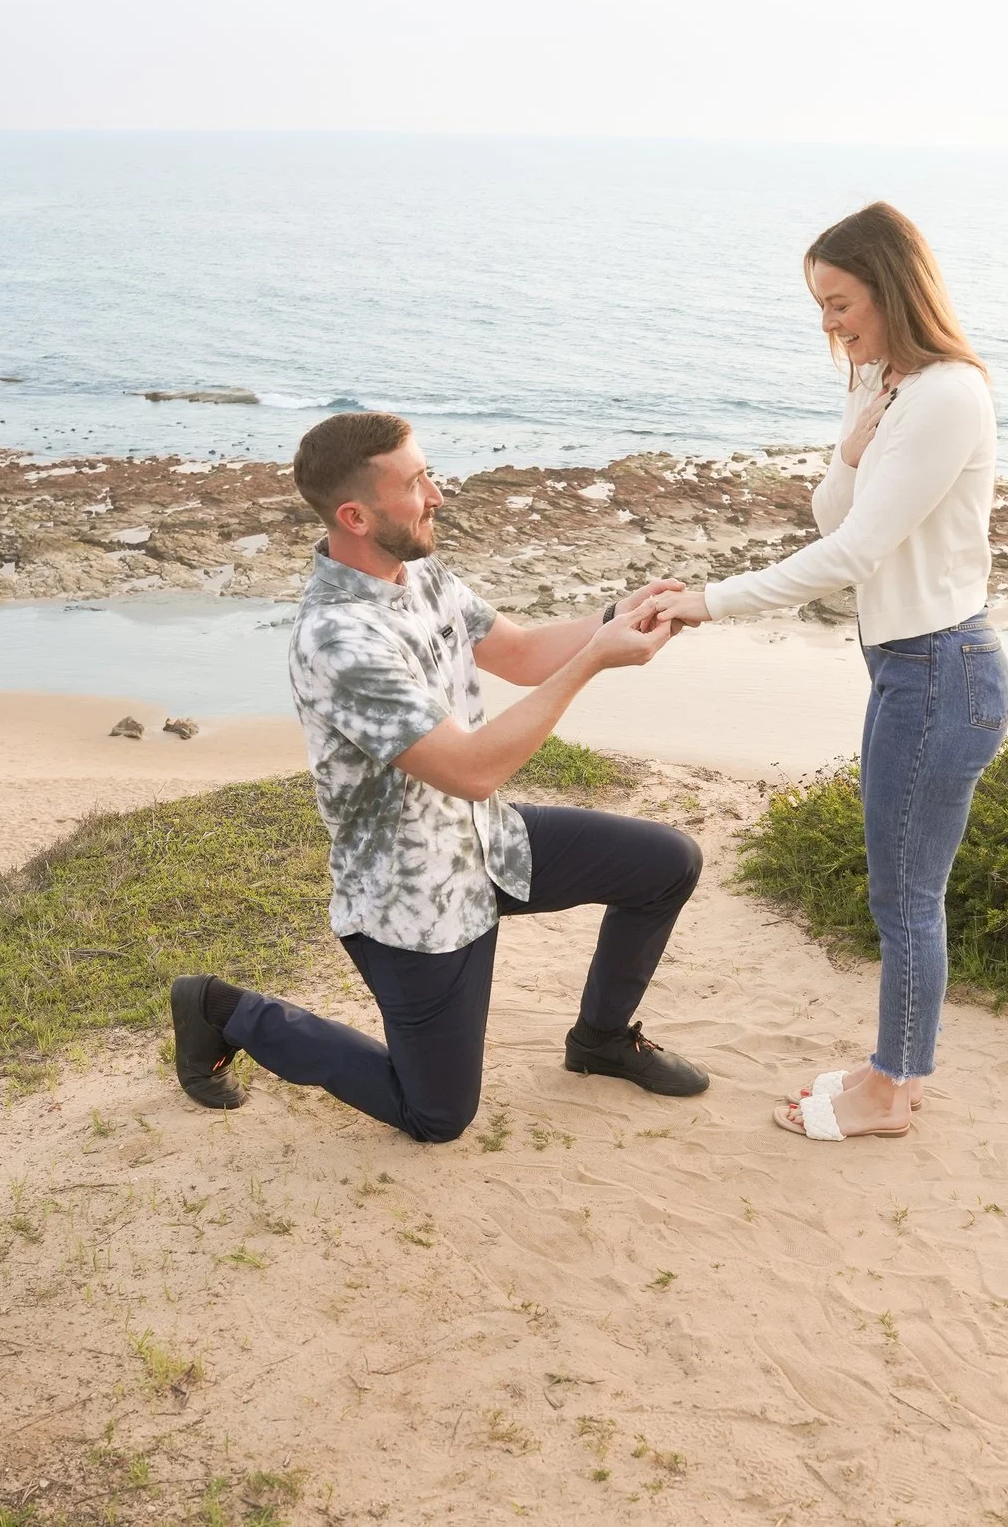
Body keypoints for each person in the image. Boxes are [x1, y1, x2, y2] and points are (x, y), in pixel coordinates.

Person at [168, 411, 711, 1142]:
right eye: (417, 482)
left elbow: (517, 651)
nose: (438, 494)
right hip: (410, 900)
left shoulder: (419, 571)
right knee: (438, 1115)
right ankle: (221, 1009)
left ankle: (601, 1040)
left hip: (488, 844)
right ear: (356, 515)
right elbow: (473, 768)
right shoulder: (338, 639)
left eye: (428, 472)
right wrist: (596, 660)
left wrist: (622, 612)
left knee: (666, 864)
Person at [652, 202, 1007, 1142]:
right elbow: (830, 510)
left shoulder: (946, 395)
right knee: (900, 887)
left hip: (940, 669)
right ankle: (898, 1068)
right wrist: (854, 438)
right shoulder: (887, 386)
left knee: (905, 894)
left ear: (892, 286)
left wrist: (709, 600)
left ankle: (892, 1093)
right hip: (909, 667)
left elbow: (851, 554)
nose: (830, 324)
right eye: (819, 306)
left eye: (840, 301)